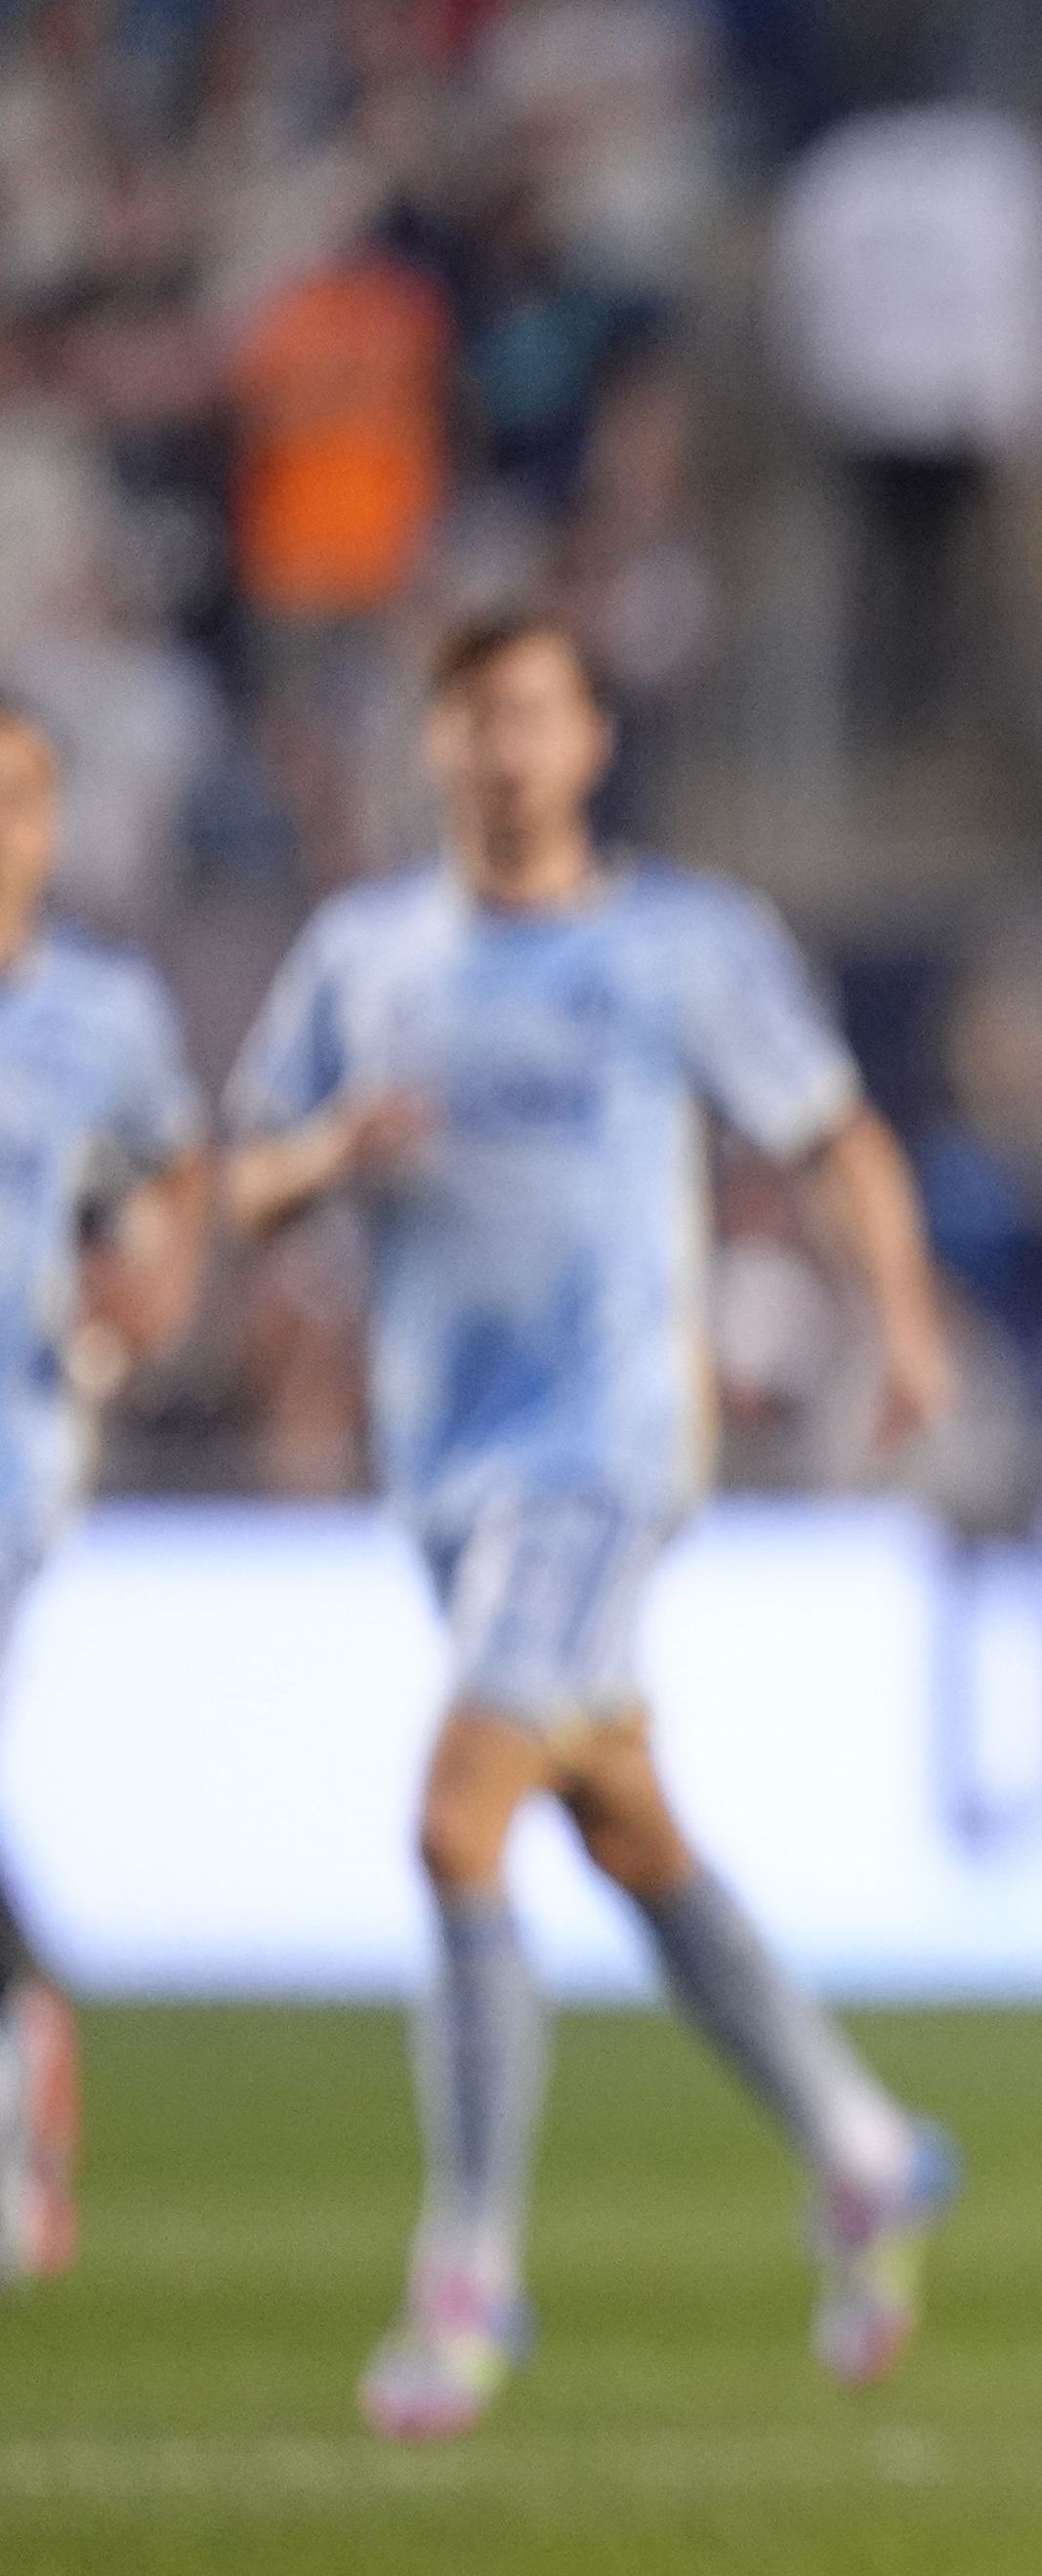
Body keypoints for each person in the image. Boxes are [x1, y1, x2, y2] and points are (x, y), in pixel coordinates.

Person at [223, 613, 968, 2441]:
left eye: (535, 715)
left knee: (456, 1815)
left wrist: (909, 1325)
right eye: (472, 718)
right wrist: (330, 1157)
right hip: (444, 1475)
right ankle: (860, 2148)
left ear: (591, 741)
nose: (505, 750)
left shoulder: (679, 949)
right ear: (431, 747)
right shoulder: (364, 955)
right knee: (621, 1826)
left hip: (609, 1454)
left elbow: (835, 1136)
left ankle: (467, 2268)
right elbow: (227, 1179)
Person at [0, 700, 213, 2286]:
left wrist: (156, 1282)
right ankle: (27, 2038)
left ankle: (27, 2060)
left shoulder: (98, 1012)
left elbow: (175, 1162)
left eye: (23, 798)